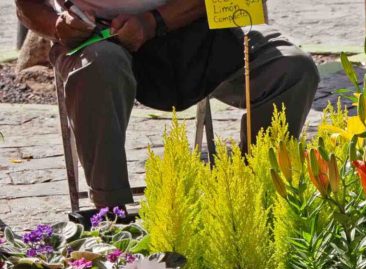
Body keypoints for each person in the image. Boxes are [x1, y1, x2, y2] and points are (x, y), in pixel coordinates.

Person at [14, 0, 320, 209]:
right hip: (97, 39)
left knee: (293, 69)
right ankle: (111, 215)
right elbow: (26, 5)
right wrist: (57, 25)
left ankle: (252, 197)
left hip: (197, 33)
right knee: (99, 67)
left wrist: (152, 22)